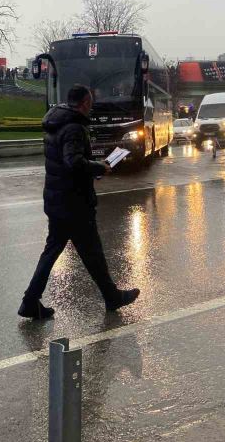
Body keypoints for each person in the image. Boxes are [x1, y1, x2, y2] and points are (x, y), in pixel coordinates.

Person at [19, 84, 140, 320]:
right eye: (91, 101)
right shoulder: (74, 127)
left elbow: (68, 164)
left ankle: (29, 302)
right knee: (91, 252)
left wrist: (94, 167)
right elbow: (73, 161)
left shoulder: (56, 123)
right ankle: (111, 297)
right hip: (74, 203)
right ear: (85, 102)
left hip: (57, 198)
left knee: (55, 252)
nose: (92, 105)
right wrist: (99, 167)